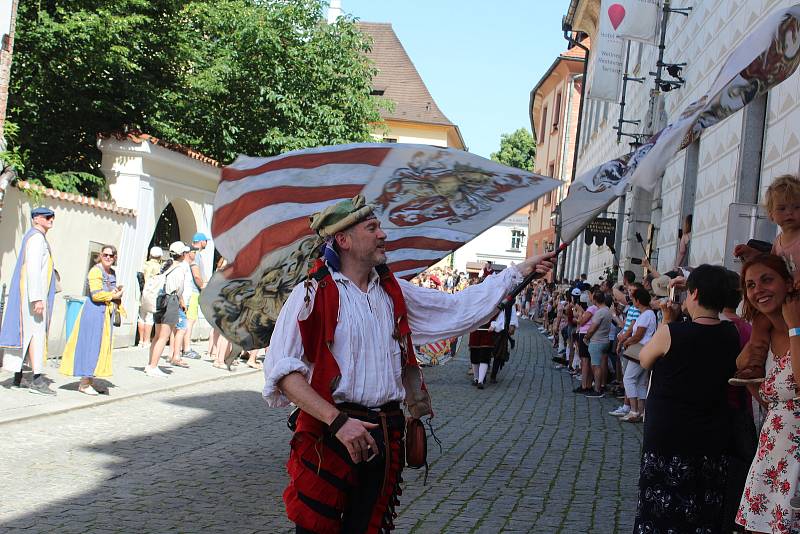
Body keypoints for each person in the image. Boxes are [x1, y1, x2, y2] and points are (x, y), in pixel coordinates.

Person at [263, 195, 554, 533]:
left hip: (385, 430)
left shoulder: (393, 292)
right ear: (343, 240)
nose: (383, 235)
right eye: (372, 228)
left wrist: (519, 271)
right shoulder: (311, 294)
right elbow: (282, 374)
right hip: (331, 434)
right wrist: (338, 421)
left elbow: (456, 309)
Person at [633, 264, 740, 533]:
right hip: (712, 435)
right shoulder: (731, 334)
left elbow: (645, 359)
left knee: (661, 509)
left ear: (694, 294)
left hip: (669, 436)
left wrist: (669, 320)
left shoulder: (672, 332)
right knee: (704, 508)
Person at [735, 254, 800, 534]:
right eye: (750, 285)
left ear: (788, 283)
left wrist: (795, 325)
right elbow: (770, 400)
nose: (758, 289)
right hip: (773, 450)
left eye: (767, 280)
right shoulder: (762, 334)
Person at [733, 174, 800, 386]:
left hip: (795, 296)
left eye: (797, 207)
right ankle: (755, 364)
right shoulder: (778, 241)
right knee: (761, 323)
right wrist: (752, 254)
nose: (790, 213)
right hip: (786, 296)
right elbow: (771, 265)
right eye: (782, 208)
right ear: (771, 215)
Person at [0, 207, 58, 395]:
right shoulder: (36, 239)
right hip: (33, 300)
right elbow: (33, 270)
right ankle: (37, 380)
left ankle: (18, 377)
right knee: (35, 336)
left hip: (32, 298)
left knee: (28, 335)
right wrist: (37, 299)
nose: (51, 220)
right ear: (36, 219)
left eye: (52, 217)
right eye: (47, 217)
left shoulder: (37, 238)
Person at [59, 245, 123, 395]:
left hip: (105, 313)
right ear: (100, 255)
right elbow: (96, 294)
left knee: (99, 347)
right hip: (93, 312)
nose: (108, 257)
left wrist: (116, 292)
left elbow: (107, 291)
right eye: (106, 254)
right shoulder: (95, 271)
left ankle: (90, 380)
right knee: (90, 345)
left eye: (112, 255)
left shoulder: (111, 273)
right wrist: (113, 296)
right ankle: (84, 383)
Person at [144, 241, 188, 377]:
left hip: (158, 300)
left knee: (157, 336)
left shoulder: (165, 265)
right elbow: (179, 288)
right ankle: (153, 366)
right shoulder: (180, 268)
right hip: (171, 300)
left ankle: (150, 363)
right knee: (164, 337)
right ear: (182, 254)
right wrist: (181, 301)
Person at [619, 287, 657, 423]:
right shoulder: (647, 314)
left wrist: (626, 342)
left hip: (639, 349)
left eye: (633, 298)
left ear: (638, 301)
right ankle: (641, 412)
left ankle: (634, 410)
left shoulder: (646, 314)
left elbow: (639, 335)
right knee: (640, 382)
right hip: (643, 349)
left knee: (628, 379)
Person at [582, 290, 612, 398]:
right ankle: (600, 386)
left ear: (595, 300)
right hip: (605, 340)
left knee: (596, 365)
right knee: (599, 364)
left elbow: (592, 328)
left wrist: (586, 337)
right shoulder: (607, 310)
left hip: (597, 341)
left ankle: (597, 389)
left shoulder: (599, 312)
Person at [178, 245, 205, 360]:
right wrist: (203, 286)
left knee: (184, 322)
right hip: (192, 293)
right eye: (194, 252)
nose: (195, 254)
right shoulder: (192, 262)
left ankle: (178, 350)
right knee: (190, 321)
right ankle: (186, 348)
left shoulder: (182, 263)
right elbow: (197, 277)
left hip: (186, 294)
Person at [136, 246, 163, 347]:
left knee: (141, 316)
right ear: (160, 256)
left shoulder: (145, 264)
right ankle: (147, 341)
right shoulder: (158, 267)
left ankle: (141, 340)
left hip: (142, 293)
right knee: (149, 317)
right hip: (152, 294)